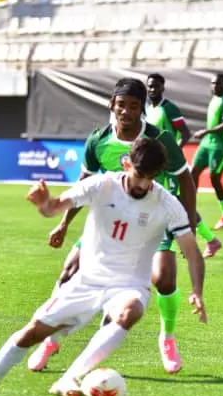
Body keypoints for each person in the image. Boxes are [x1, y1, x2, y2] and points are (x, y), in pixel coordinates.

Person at [0, 136, 207, 396]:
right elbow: (54, 208)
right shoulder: (101, 185)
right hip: (87, 281)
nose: (144, 184)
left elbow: (191, 251)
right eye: (139, 175)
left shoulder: (167, 204)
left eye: (151, 177)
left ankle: (70, 377)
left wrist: (197, 291)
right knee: (34, 331)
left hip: (129, 285)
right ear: (126, 164)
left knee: (130, 312)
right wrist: (43, 202)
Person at [30, 78, 199, 375]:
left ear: (142, 109)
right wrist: (63, 224)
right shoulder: (98, 141)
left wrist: (189, 229)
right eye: (122, 105)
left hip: (150, 223)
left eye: (134, 106)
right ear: (112, 104)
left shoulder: (160, 140)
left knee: (164, 280)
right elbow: (84, 185)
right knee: (69, 272)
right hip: (108, 224)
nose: (127, 112)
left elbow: (185, 179)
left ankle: (167, 337)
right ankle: (51, 340)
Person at [146, 73, 222, 257]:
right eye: (149, 86)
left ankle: (169, 248)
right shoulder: (147, 109)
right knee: (177, 203)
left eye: (156, 86)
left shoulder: (169, 108)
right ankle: (211, 240)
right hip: (155, 165)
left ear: (163, 88)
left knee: (170, 203)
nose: (152, 90)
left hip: (171, 166)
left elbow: (185, 133)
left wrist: (173, 153)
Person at [192, 73, 223, 230]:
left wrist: (206, 131)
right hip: (206, 144)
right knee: (193, 173)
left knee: (214, 179)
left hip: (219, 145)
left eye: (217, 83)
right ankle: (191, 208)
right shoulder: (214, 100)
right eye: (212, 83)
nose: (214, 86)